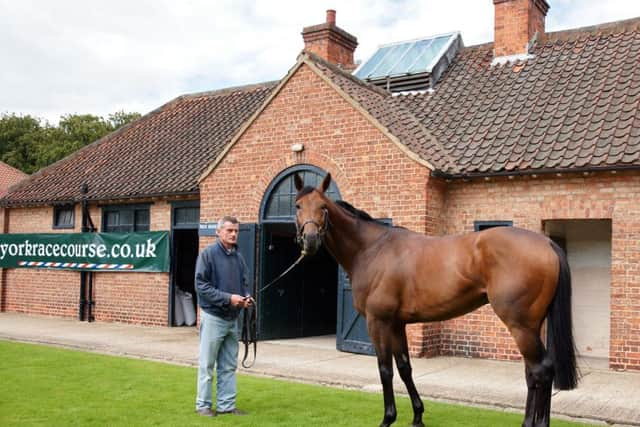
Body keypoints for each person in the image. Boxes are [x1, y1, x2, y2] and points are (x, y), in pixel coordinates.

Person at [194, 216, 252, 417]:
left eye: (236, 230)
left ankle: (227, 406)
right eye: (229, 230)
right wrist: (229, 298)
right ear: (218, 232)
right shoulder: (207, 255)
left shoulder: (238, 257)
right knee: (207, 365)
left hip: (233, 319)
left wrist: (246, 297)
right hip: (213, 317)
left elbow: (244, 282)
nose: (234, 234)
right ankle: (203, 405)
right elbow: (201, 286)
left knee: (228, 365)